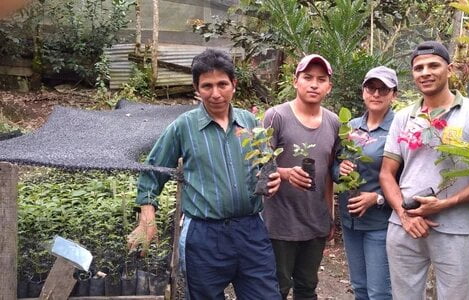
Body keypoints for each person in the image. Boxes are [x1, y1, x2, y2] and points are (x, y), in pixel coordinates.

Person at [127, 48, 282, 300]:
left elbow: (266, 165)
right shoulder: (183, 127)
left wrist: (272, 179)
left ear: (234, 84)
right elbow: (152, 172)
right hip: (205, 235)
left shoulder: (251, 123)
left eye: (222, 84)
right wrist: (147, 218)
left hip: (251, 231)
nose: (216, 93)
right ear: (196, 89)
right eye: (207, 86)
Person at [379, 41, 469, 299]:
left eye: (433, 65)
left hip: (454, 227)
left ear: (450, 69)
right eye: (418, 68)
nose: (425, 72)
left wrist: (445, 204)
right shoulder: (403, 117)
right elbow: (387, 173)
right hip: (404, 226)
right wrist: (403, 213)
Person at [262, 54, 340, 299]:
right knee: (278, 287)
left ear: (329, 86)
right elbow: (261, 167)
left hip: (314, 221)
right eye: (307, 77)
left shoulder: (334, 122)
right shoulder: (276, 116)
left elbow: (328, 173)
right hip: (280, 223)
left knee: (307, 287)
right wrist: (284, 173)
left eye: (321, 79)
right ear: (295, 81)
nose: (314, 84)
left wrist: (330, 215)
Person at [332, 66, 397, 300]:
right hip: (351, 223)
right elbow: (333, 166)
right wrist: (341, 170)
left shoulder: (398, 129)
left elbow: (408, 178)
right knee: (359, 287)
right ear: (363, 92)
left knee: (379, 292)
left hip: (380, 223)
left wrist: (378, 197)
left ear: (394, 94)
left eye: (384, 89)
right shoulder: (349, 128)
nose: (376, 94)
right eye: (371, 88)